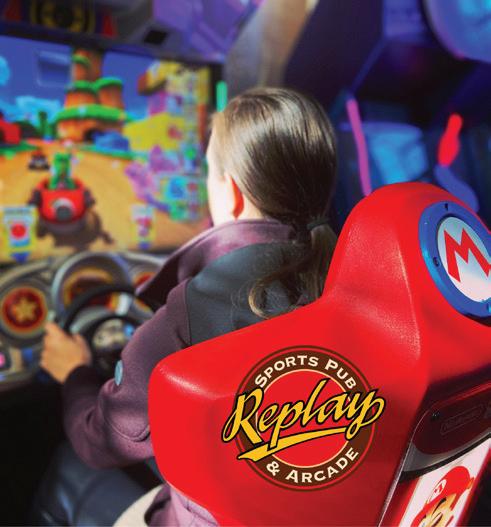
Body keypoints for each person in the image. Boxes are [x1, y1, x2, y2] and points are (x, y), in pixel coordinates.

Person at [37, 87, 338, 526]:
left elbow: (101, 440)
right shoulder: (349, 284)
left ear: (231, 193)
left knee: (69, 463)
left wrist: (75, 374)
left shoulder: (194, 312)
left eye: (208, 172)